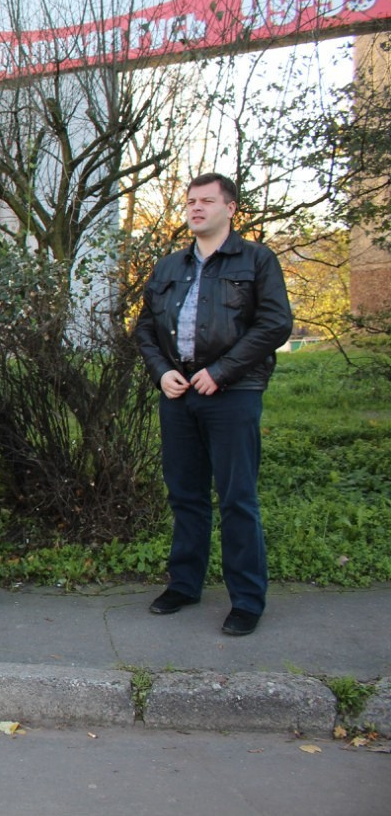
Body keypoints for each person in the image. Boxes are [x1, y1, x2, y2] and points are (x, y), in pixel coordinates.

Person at [134, 172, 293, 637]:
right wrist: (162, 372)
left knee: (237, 498)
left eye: (206, 200)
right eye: (190, 201)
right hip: (178, 393)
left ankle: (246, 599)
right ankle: (184, 584)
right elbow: (144, 328)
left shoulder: (257, 260)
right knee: (185, 495)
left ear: (230, 208)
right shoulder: (169, 267)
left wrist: (221, 372)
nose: (196, 208)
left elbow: (275, 324)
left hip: (233, 394)